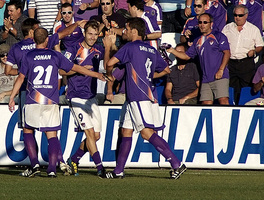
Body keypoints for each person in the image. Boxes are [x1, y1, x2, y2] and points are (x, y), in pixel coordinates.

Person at [8, 27, 107, 177]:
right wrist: (95, 74)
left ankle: (34, 165)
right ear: (47, 40)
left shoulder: (28, 56)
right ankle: (52, 170)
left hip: (32, 100)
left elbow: (21, 78)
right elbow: (75, 68)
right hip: (50, 101)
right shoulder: (55, 55)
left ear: (34, 40)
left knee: (28, 131)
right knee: (52, 135)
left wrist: (11, 97)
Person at [105, 17, 186, 179]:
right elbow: (166, 70)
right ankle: (118, 171)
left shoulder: (130, 47)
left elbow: (109, 65)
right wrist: (147, 77)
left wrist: (108, 48)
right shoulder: (151, 49)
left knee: (146, 132)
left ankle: (177, 164)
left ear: (134, 31)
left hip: (138, 95)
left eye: (127, 29)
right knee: (125, 131)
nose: (125, 32)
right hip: (145, 93)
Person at [63, 21, 108, 178]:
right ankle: (100, 168)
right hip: (76, 97)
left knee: (95, 136)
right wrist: (79, 69)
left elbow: (108, 63)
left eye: (96, 35)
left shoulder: (98, 50)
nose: (93, 37)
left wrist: (109, 46)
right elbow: (62, 70)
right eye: (90, 34)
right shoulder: (73, 49)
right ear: (84, 33)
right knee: (89, 132)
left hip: (91, 97)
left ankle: (74, 159)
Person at [167, 13, 230, 105]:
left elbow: (227, 53)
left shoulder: (218, 36)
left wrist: (221, 70)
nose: (202, 25)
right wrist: (172, 50)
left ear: (211, 24)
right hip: (205, 78)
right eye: (200, 22)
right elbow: (186, 56)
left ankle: (227, 119)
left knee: (223, 101)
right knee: (206, 104)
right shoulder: (197, 40)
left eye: (205, 22)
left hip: (219, 76)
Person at [221, 5, 264, 103]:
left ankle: (246, 108)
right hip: (231, 62)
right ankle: (232, 107)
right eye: (235, 15)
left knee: (247, 87)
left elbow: (260, 46)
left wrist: (254, 51)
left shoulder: (253, 29)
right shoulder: (227, 28)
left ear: (246, 15)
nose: (237, 17)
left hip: (246, 62)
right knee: (230, 87)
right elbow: (221, 44)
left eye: (240, 15)